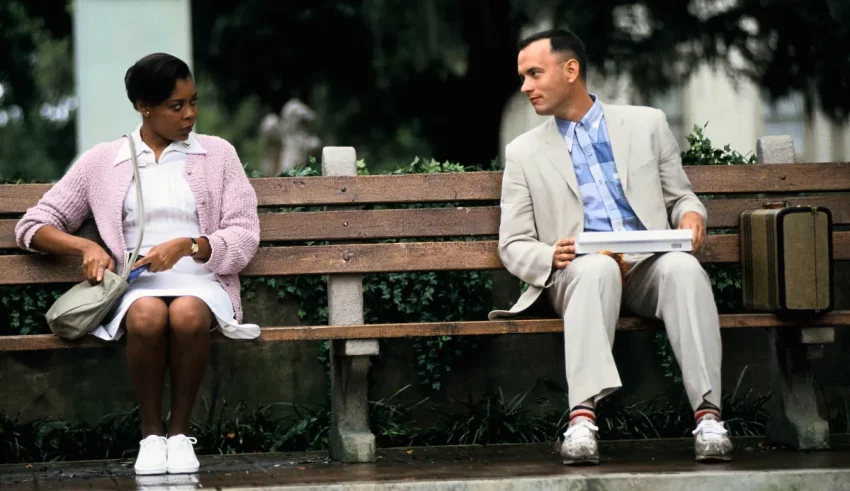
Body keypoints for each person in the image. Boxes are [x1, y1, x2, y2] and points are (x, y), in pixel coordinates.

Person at [489, 29, 733, 465]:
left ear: (570, 70)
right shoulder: (523, 152)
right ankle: (581, 419)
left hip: (647, 265)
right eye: (523, 76)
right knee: (596, 268)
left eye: (533, 74)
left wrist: (692, 217)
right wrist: (550, 256)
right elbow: (512, 243)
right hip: (576, 272)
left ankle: (709, 415)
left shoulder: (648, 124)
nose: (525, 86)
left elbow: (681, 198)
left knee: (684, 270)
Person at [15, 53, 261, 475]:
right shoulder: (104, 161)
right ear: (143, 106)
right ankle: (151, 435)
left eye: (193, 102)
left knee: (186, 313)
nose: (190, 115)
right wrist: (84, 248)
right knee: (146, 315)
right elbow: (33, 225)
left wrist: (188, 246)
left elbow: (244, 234)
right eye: (176, 106)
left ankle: (180, 434)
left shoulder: (218, 154)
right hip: (138, 285)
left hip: (202, 279)